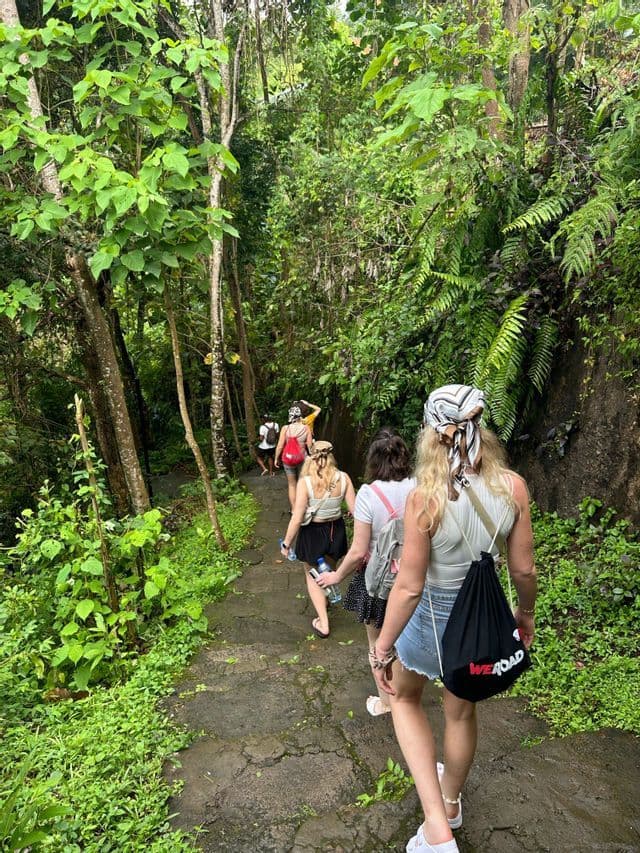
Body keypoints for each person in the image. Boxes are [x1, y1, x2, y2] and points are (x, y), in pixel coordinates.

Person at [370, 385, 537, 853]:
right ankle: (451, 801)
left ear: (431, 435)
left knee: (403, 699)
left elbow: (408, 587)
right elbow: (523, 569)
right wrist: (524, 614)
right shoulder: (513, 487)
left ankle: (436, 829)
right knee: (461, 711)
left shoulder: (425, 499)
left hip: (430, 618)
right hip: (482, 617)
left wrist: (381, 648)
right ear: (480, 428)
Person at [315, 428, 415, 716]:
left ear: (372, 462)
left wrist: (336, 576)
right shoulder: (419, 486)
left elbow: (359, 550)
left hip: (379, 580)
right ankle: (409, 694)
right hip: (416, 576)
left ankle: (387, 703)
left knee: (378, 642)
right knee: (408, 637)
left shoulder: (369, 496)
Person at [280, 441, 356, 638]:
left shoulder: (305, 483)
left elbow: (297, 517)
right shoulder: (344, 478)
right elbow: (356, 511)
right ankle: (327, 600)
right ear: (331, 456)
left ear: (311, 457)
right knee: (328, 570)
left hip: (313, 532)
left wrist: (287, 543)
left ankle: (323, 622)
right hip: (336, 531)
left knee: (312, 576)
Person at [275, 405, 312, 511]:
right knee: (303, 483)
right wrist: (312, 457)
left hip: (288, 459)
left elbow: (280, 445)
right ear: (300, 416)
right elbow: (309, 446)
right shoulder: (306, 428)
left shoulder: (285, 428)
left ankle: (294, 509)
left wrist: (277, 458)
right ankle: (304, 507)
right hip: (302, 459)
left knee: (292, 485)